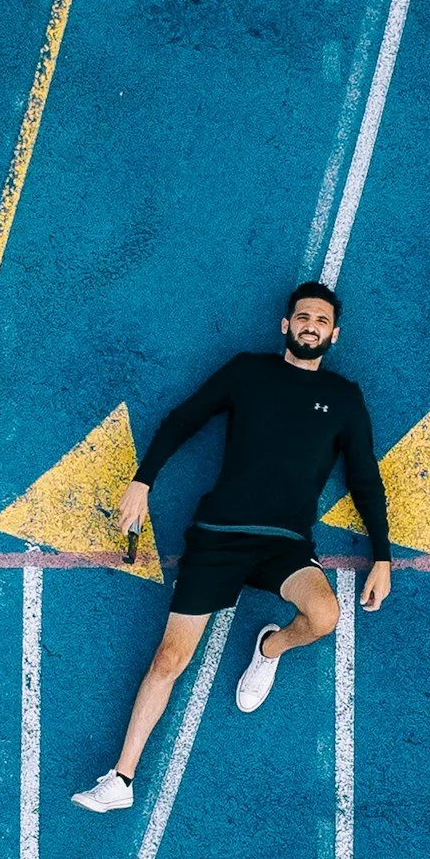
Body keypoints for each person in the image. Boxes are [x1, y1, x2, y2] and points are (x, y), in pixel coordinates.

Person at [72, 282, 393, 812]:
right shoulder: (247, 371)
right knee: (169, 658)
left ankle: (269, 648)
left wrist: (381, 556)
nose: (311, 325)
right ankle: (120, 781)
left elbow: (364, 478)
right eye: (302, 316)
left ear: (334, 334)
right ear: (285, 326)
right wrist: (142, 481)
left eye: (321, 320)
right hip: (218, 538)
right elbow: (184, 419)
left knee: (325, 615)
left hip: (285, 546)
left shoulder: (344, 398)